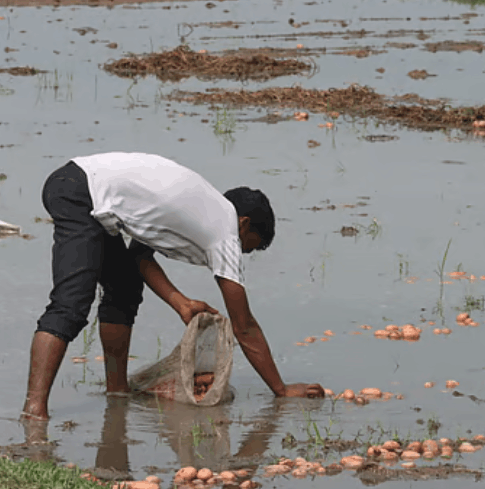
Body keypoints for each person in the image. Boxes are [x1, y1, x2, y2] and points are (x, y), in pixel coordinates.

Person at [22, 152, 325, 421]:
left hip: (80, 183)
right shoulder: (225, 230)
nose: (241, 254)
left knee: (125, 287)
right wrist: (281, 390)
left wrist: (180, 303)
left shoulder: (200, 206)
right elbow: (244, 326)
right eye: (248, 247)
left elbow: (139, 256)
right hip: (80, 191)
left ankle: (117, 393)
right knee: (71, 304)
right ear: (244, 224)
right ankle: (34, 412)